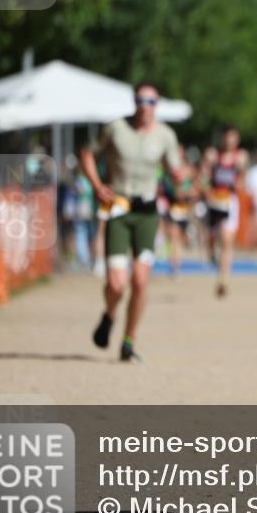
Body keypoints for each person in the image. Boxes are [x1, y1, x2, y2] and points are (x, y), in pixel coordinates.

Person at [79, 82, 184, 362]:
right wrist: (97, 185)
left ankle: (129, 341)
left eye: (150, 101)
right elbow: (87, 153)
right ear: (133, 102)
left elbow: (177, 170)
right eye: (140, 100)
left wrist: (181, 179)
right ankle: (110, 314)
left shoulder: (166, 135)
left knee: (140, 280)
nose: (144, 107)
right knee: (116, 284)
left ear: (157, 104)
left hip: (148, 213)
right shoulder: (116, 129)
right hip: (119, 210)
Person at [202, 127, 246, 297]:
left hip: (229, 202)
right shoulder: (213, 155)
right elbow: (204, 176)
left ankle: (223, 278)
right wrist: (205, 188)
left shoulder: (240, 157)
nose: (230, 141)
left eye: (234, 138)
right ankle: (213, 257)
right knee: (211, 238)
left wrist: (240, 181)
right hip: (213, 200)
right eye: (228, 137)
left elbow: (242, 180)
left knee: (227, 240)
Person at [161, 144, 197, 277]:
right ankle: (175, 266)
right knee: (174, 237)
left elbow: (197, 188)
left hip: (186, 209)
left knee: (182, 239)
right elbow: (170, 191)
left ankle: (189, 238)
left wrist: (190, 193)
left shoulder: (190, 170)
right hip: (173, 208)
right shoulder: (168, 171)